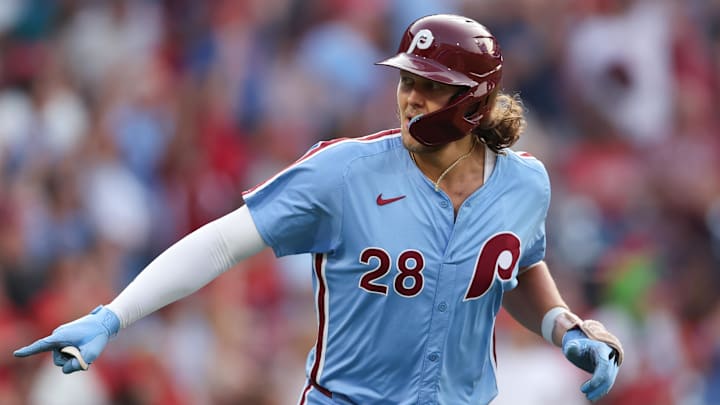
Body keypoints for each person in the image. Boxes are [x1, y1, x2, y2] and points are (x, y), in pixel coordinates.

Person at [14, 14, 623, 404]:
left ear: (474, 100)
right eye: (407, 80)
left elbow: (510, 266)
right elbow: (223, 242)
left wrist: (562, 325)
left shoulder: (525, 185)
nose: (411, 97)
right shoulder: (344, 171)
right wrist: (114, 315)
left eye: (431, 85)